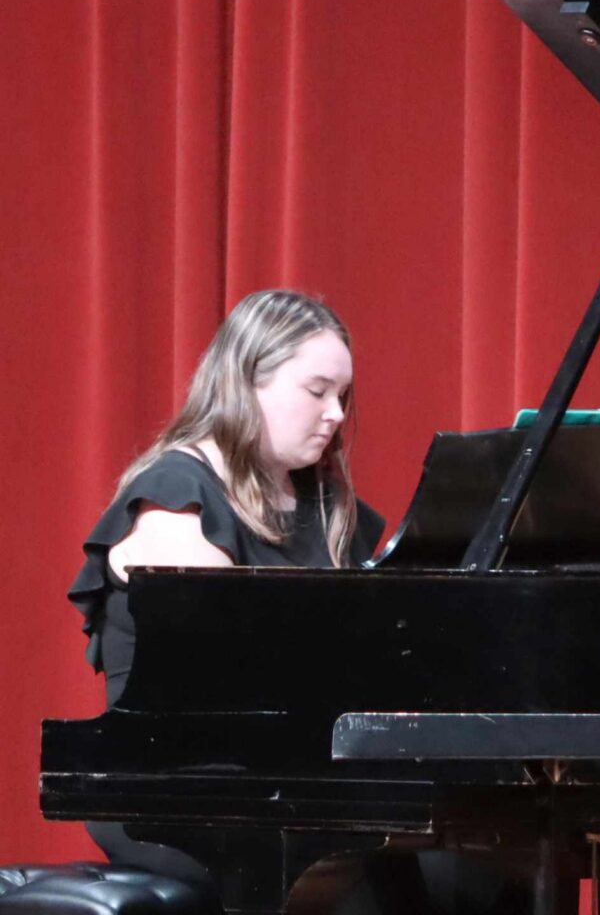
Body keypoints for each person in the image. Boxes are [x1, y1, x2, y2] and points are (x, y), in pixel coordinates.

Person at [66, 288, 384, 887]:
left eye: (342, 396)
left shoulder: (327, 507)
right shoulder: (175, 495)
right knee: (367, 875)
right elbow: (221, 676)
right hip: (174, 785)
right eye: (317, 391)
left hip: (290, 778)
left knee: (477, 861)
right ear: (246, 382)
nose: (337, 414)